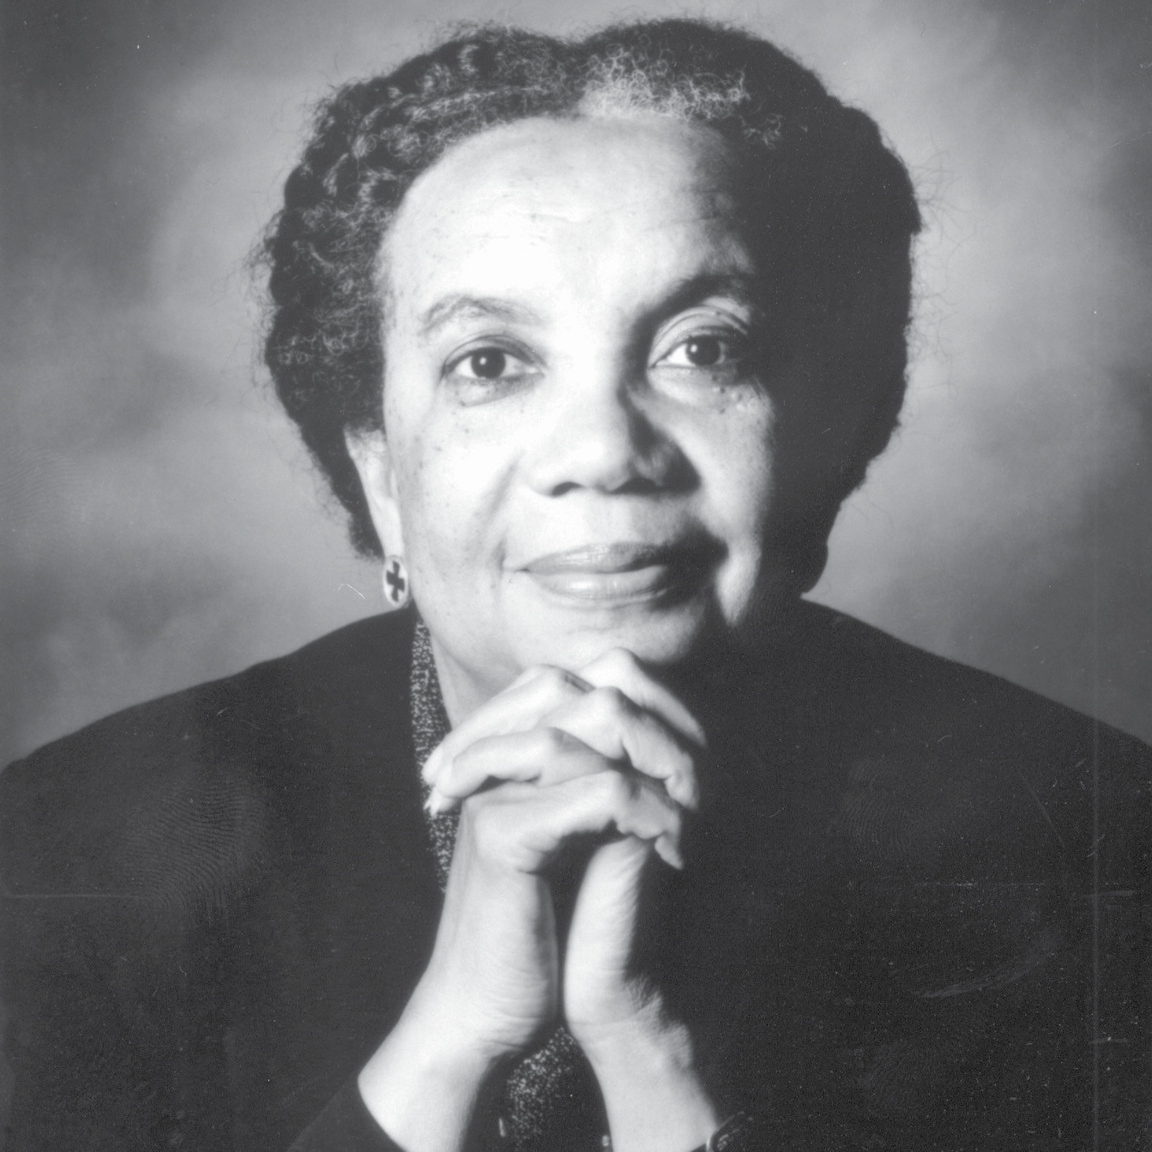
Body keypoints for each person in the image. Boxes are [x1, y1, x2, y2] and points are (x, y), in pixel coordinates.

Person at [1, 18, 1148, 1152]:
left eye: (704, 348)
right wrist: (450, 1042)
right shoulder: (57, 864)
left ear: (833, 434)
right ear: (379, 473)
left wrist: (650, 1050)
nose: (602, 451)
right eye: (490, 363)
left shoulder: (1099, 846)